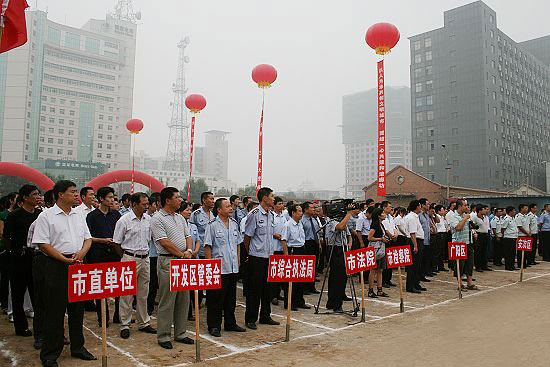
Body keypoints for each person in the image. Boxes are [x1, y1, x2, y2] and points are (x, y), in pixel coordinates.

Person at [33, 180, 96, 367]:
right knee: (55, 311)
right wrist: (63, 258)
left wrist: (82, 254)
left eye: (77, 192)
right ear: (60, 194)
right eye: (73, 192)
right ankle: (50, 354)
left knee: (77, 310)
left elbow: (88, 239)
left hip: (78, 264)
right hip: (56, 265)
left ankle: (78, 347)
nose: (76, 195)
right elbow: (42, 244)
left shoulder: (78, 215)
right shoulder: (47, 216)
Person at [151, 187, 194, 349]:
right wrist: (181, 254)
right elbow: (164, 242)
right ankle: (163, 336)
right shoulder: (157, 218)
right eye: (177, 197)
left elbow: (188, 236)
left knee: (184, 299)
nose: (180, 200)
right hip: (168, 261)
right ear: (167, 200)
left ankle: (181, 332)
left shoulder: (180, 218)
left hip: (183, 260)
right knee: (167, 300)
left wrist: (188, 251)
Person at [113, 192, 157, 339]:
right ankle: (125, 324)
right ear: (133, 204)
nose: (146, 206)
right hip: (129, 257)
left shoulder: (149, 220)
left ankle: (144, 322)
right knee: (126, 293)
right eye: (143, 204)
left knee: (143, 292)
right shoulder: (124, 220)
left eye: (147, 203)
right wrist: (125, 257)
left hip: (145, 258)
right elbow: (116, 243)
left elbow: (151, 239)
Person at [3, 185, 42, 337]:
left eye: (39, 194)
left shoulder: (39, 215)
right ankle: (21, 327)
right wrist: (14, 252)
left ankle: (40, 328)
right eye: (34, 194)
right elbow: (7, 237)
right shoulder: (15, 216)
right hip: (18, 259)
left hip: (36, 258)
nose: (38, 196)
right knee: (18, 294)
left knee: (37, 295)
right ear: (25, 197)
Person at [204, 198, 246, 337]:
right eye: (227, 206)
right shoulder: (212, 225)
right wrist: (209, 266)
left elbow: (238, 243)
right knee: (215, 299)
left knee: (230, 298)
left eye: (230, 206)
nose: (230, 208)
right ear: (219, 210)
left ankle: (230, 323)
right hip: (218, 268)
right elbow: (208, 246)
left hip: (232, 267)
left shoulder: (234, 224)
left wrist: (238, 259)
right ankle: (214, 325)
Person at [243, 187, 280, 330]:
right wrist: (250, 254)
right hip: (257, 257)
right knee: (254, 290)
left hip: (269, 256)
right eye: (272, 196)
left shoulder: (271, 215)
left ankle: (265, 315)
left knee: (267, 289)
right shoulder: (254, 214)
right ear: (264, 198)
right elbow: (247, 237)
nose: (273, 199)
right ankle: (251, 318)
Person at [85, 186, 122, 327]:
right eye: (110, 197)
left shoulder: (116, 215)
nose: (112, 200)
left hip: (114, 253)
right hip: (98, 253)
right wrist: (102, 240)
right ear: (101, 199)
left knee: (118, 285)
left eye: (113, 197)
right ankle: (103, 318)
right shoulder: (92, 216)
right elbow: (87, 237)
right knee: (100, 286)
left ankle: (118, 315)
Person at [325, 205, 355, 313]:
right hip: (335, 250)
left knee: (342, 277)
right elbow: (340, 227)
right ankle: (335, 304)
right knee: (336, 278)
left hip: (343, 248)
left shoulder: (343, 220)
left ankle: (337, 300)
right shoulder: (331, 221)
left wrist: (350, 243)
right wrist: (348, 214)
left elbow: (348, 234)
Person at [280, 203, 310, 311]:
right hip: (293, 251)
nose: (301, 214)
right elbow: (284, 240)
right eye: (299, 211)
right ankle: (290, 303)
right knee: (291, 279)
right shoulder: (287, 225)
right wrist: (286, 256)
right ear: (293, 213)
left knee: (301, 278)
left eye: (301, 211)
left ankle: (300, 301)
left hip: (302, 249)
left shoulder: (300, 224)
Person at [190, 192, 215, 305]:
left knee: (209, 277)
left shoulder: (214, 215)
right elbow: (191, 232)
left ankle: (210, 300)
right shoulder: (196, 214)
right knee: (199, 277)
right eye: (211, 199)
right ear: (204, 200)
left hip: (211, 251)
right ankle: (197, 301)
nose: (213, 201)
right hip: (199, 251)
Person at [448, 199, 478, 290]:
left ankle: (469, 283)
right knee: (459, 264)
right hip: (458, 244)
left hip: (468, 242)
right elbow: (458, 228)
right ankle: (460, 284)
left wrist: (473, 231)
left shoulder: (466, 216)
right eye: (465, 205)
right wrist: (465, 219)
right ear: (460, 206)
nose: (467, 207)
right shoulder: (454, 216)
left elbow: (470, 227)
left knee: (469, 263)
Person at [0, 192, 17, 314]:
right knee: (6, 277)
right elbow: (3, 233)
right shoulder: (4, 215)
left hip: (19, 250)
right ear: (11, 201)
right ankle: (5, 303)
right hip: (6, 249)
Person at [404, 200, 425, 294]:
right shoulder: (411, 217)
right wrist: (415, 245)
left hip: (417, 241)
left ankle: (416, 284)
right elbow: (412, 233)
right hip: (414, 241)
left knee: (417, 265)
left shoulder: (415, 217)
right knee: (412, 266)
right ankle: (410, 286)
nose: (421, 208)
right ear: (417, 207)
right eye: (420, 206)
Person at [367, 208, 389, 298]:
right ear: (379, 215)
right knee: (373, 270)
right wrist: (381, 239)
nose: (384, 214)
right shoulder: (375, 224)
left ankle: (380, 290)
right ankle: (371, 291)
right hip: (375, 249)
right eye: (383, 213)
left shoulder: (381, 224)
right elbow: (369, 237)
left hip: (381, 249)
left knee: (380, 270)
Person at [300, 202, 320, 294]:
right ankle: (304, 287)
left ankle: (312, 286)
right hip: (306, 243)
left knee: (314, 265)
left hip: (315, 243)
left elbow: (317, 232)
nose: (313, 209)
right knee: (306, 265)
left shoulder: (314, 220)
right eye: (311, 208)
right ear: (306, 209)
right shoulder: (302, 220)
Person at [146, 193, 161, 316]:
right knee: (150, 283)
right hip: (150, 254)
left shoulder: (157, 217)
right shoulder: (148, 219)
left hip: (158, 255)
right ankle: (148, 306)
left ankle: (151, 304)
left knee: (156, 282)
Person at [271, 197, 286, 306]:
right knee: (273, 273)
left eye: (282, 203)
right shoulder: (272, 217)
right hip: (274, 248)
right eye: (280, 203)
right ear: (275, 205)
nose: (282, 205)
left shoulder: (283, 217)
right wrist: (274, 235)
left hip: (282, 248)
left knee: (280, 273)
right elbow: (268, 230)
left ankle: (277, 293)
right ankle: (273, 295)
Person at [381, 201, 397, 288]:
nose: (391, 208)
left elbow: (394, 227)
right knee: (385, 262)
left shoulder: (390, 217)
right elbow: (385, 230)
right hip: (386, 240)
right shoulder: (382, 217)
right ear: (384, 207)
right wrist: (391, 236)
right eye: (389, 207)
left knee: (391, 261)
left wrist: (395, 234)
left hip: (392, 240)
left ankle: (388, 279)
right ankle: (384, 281)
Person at [471, 204, 492, 272]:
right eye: (484, 209)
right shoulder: (474, 217)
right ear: (479, 211)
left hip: (485, 234)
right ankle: (478, 266)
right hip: (479, 235)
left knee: (484, 251)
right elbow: (472, 227)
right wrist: (474, 233)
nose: (485, 211)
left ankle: (484, 265)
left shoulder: (486, 217)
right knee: (478, 251)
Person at [418, 198, 433, 279]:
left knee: (426, 259)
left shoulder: (427, 215)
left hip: (427, 240)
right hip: (421, 240)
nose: (428, 206)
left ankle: (424, 274)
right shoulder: (419, 215)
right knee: (421, 259)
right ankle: (420, 275)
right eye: (427, 204)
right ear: (422, 205)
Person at [501, 206, 519, 271]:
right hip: (508, 238)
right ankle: (508, 266)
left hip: (514, 237)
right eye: (514, 211)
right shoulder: (506, 219)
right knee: (508, 253)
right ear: (510, 212)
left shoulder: (513, 218)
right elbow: (503, 229)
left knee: (513, 253)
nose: (515, 212)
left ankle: (512, 265)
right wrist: (505, 235)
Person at [434, 205, 449, 272]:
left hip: (444, 234)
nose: (444, 211)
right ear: (438, 211)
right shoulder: (436, 217)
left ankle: (441, 266)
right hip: (439, 234)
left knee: (442, 252)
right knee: (437, 252)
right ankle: (435, 267)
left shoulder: (443, 217)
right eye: (442, 210)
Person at [515, 204, 530, 269]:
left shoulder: (526, 216)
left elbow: (528, 225)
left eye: (527, 208)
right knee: (521, 252)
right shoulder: (518, 216)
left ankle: (524, 263)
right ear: (521, 208)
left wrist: (529, 232)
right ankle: (520, 264)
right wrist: (527, 233)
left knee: (526, 251)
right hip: (521, 235)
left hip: (527, 235)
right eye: (525, 208)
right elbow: (520, 227)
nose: (527, 209)